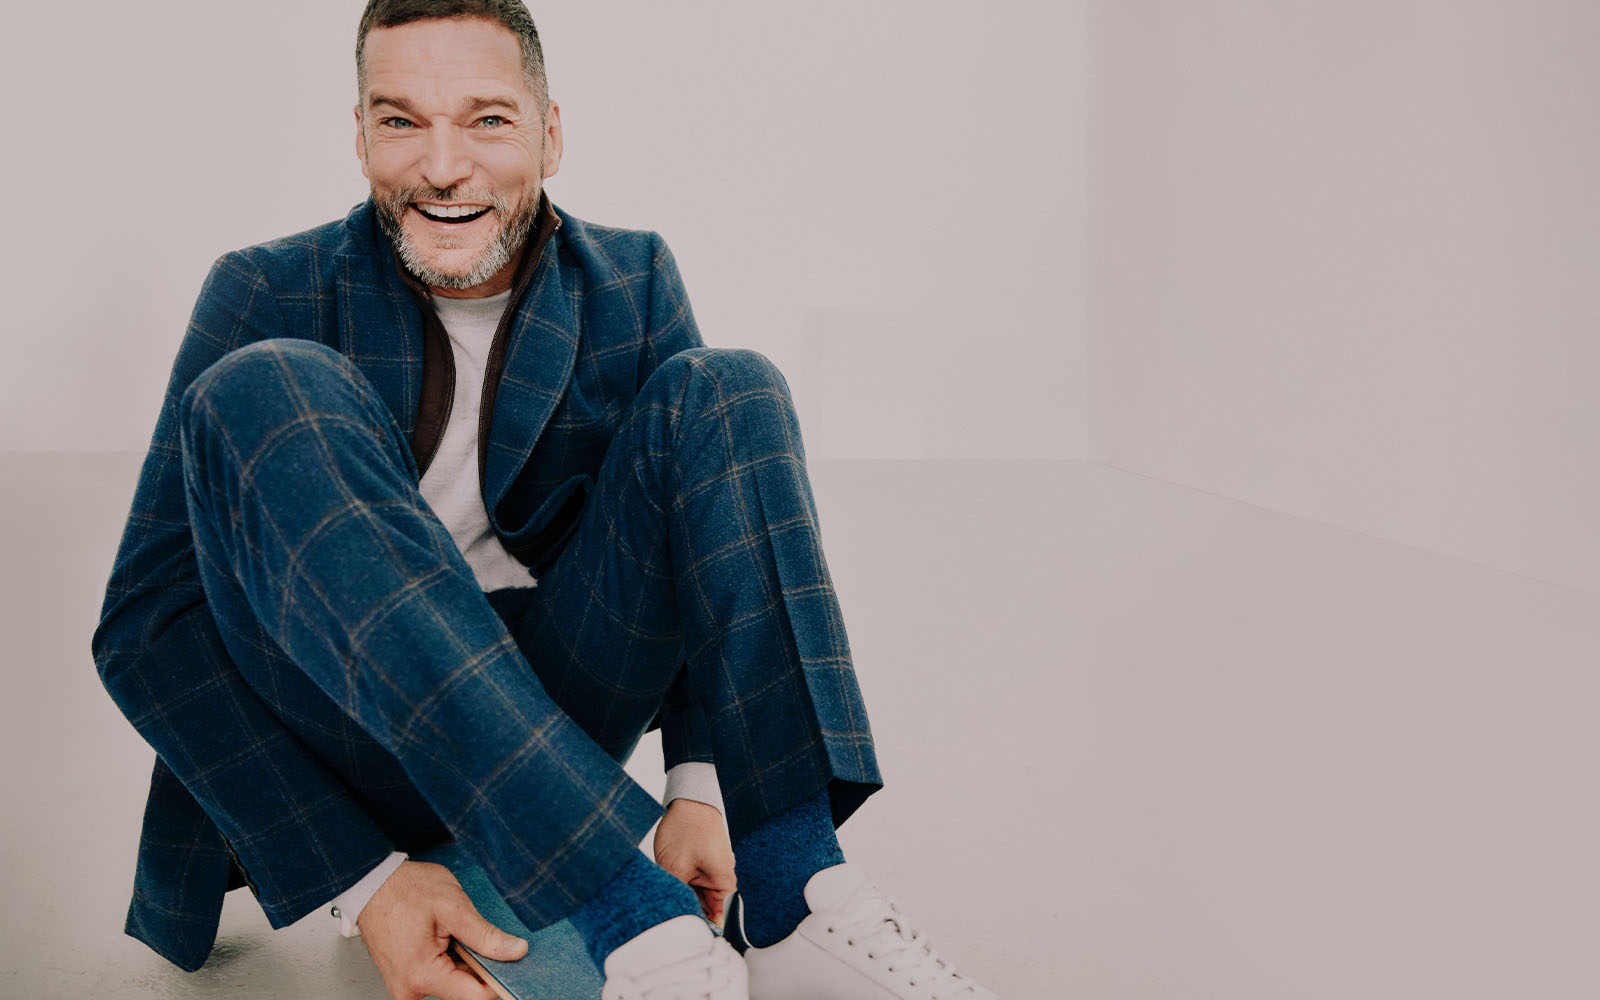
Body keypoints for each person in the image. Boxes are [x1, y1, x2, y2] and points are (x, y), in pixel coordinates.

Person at [92, 2, 999, 998]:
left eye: (486, 119)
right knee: (267, 384)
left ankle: (792, 896)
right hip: (347, 729)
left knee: (732, 388)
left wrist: (697, 790)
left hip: (550, 714)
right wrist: (368, 881)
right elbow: (147, 627)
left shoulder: (634, 277)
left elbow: (711, 543)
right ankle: (636, 921)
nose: (443, 165)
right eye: (401, 122)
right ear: (359, 136)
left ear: (549, 134)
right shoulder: (264, 287)